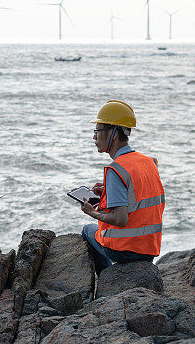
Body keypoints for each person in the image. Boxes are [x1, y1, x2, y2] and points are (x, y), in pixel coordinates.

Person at [80, 100, 165, 273]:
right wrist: (107, 191)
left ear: (114, 133)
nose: (94, 137)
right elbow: (139, 196)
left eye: (98, 131)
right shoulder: (149, 162)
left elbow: (120, 219)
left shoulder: (115, 169)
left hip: (125, 251)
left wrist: (92, 212)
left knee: (87, 229)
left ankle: (106, 276)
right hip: (149, 250)